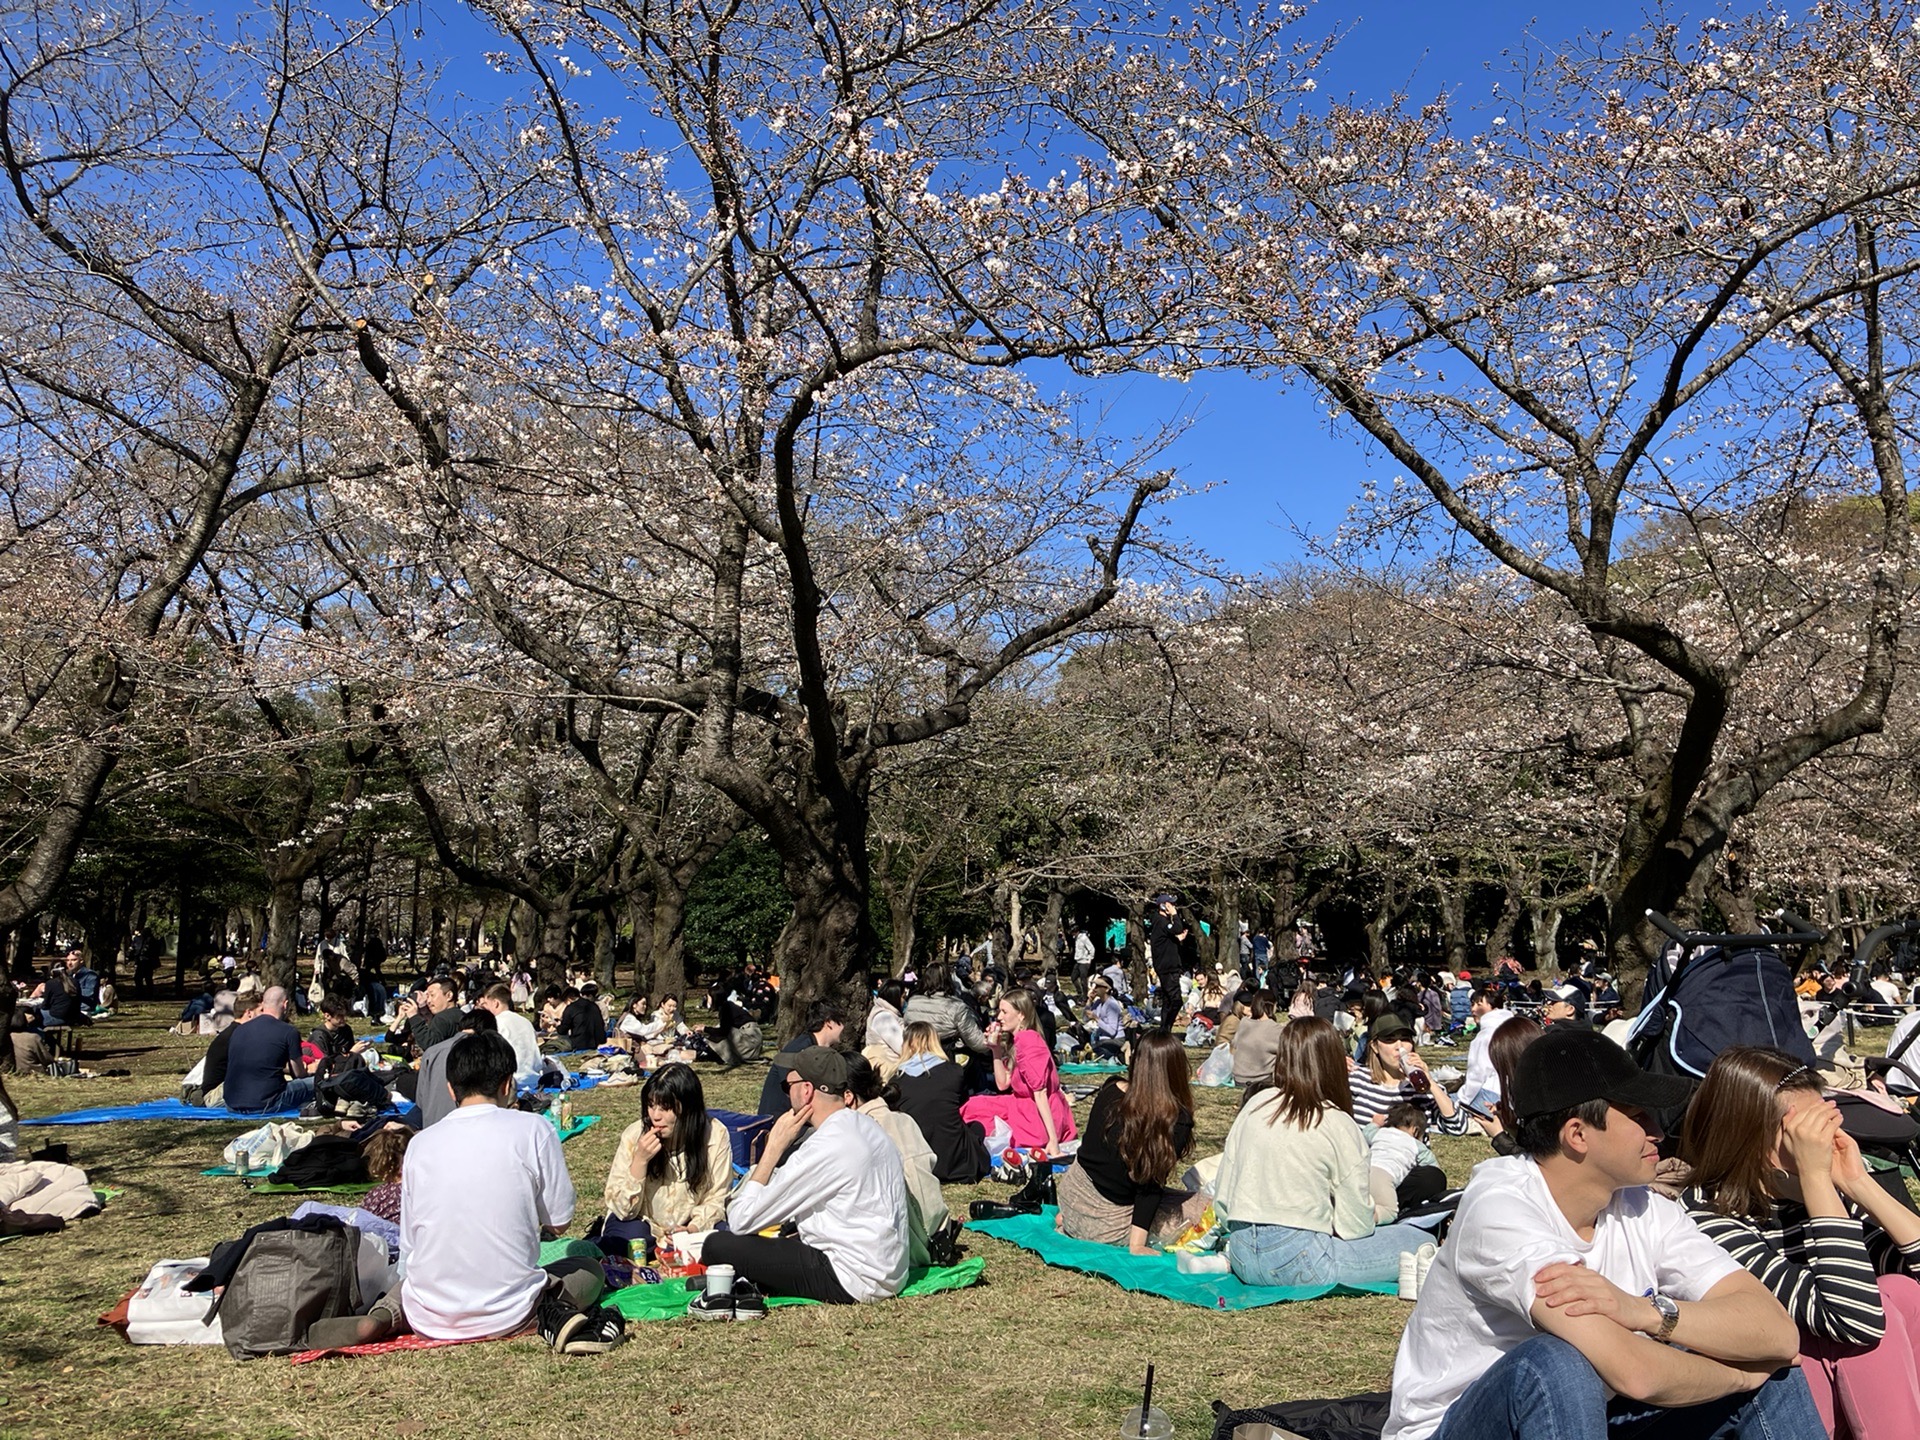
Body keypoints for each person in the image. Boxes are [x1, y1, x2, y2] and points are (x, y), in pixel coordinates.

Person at [1382, 1027, 1816, 1440]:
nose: (1659, 1133)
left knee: (1774, 1373)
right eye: (1639, 1116)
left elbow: (1778, 1332)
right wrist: (1738, 1377)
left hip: (1593, 1415)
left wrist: (1646, 1313)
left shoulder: (1639, 1204)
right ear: (1577, 1134)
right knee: (1556, 1363)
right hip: (1457, 1427)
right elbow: (1635, 1373)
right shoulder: (1501, 1209)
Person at [305, 1033, 623, 1354]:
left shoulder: (420, 1143)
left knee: (410, 1284)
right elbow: (559, 1223)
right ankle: (536, 1307)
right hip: (509, 1311)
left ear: (450, 1089)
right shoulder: (533, 1128)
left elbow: (411, 1245)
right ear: (508, 1084)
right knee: (587, 1270)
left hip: (429, 1313)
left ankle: (382, 1316)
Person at [1682, 1045, 1920, 1439]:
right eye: (1806, 1130)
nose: (1823, 1142)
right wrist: (1814, 1178)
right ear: (1752, 1137)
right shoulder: (1706, 1218)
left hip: (1869, 1396)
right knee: (1871, 1311)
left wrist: (1858, 1184)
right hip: (1782, 1401)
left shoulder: (1809, 1191)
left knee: (1903, 1290)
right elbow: (1857, 1321)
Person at [1214, 1017, 1430, 1287]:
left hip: (1242, 1254)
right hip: (1303, 1259)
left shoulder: (1256, 1104)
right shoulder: (1336, 1121)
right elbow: (1354, 1226)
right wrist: (1382, 1213)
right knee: (1419, 1239)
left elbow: (1223, 1199)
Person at [703, 1046, 909, 1305]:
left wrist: (773, 1149)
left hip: (851, 1277)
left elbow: (742, 1220)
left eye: (787, 1085)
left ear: (806, 1090)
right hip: (891, 1270)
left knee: (717, 1245)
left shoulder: (824, 1146)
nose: (787, 1093)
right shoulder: (868, 1127)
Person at [1056, 1033, 1206, 1253]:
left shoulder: (1111, 1088)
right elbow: (1150, 1186)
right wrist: (1137, 1244)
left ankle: (1071, 1221)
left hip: (1071, 1196)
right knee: (1205, 1207)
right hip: (1107, 1224)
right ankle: (1088, 1226)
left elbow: (1095, 1153)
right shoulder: (1175, 1120)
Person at [603, 1061, 735, 1238]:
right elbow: (622, 1210)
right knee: (626, 1237)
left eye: (665, 1108)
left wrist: (693, 1229)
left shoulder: (714, 1135)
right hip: (643, 1223)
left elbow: (717, 1198)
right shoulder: (634, 1135)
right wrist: (640, 1161)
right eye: (651, 1106)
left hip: (690, 1223)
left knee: (724, 1236)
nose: (656, 1116)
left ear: (687, 1108)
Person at [845, 1056, 951, 1267]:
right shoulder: (903, 1119)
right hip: (937, 1237)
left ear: (847, 1096)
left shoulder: (860, 1131)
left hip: (903, 1249)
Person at [1347, 1013, 1470, 1197]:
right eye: (1390, 1040)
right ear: (1375, 1046)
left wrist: (1430, 1082)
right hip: (1366, 1168)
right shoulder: (1358, 1079)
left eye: (1405, 1039)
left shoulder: (1423, 1089)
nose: (1399, 1047)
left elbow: (1458, 1127)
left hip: (1407, 1172)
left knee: (1432, 1178)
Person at [960, 988, 1076, 1156]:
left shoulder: (1029, 1040)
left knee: (977, 1118)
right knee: (972, 1106)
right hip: (1020, 1105)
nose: (999, 1017)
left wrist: (1053, 1141)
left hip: (1036, 1115)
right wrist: (996, 1050)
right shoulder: (1018, 1041)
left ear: (1021, 1015)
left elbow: (1040, 1092)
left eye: (1005, 1012)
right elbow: (1003, 1084)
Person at [891, 1022, 988, 1184]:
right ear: (935, 1042)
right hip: (958, 1162)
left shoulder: (897, 1082)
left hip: (920, 1161)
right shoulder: (954, 1072)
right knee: (976, 1127)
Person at [758, 1000, 847, 1115]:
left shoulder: (818, 1050)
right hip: (781, 1120)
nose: (844, 1028)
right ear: (829, 1022)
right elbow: (796, 1092)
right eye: (841, 1022)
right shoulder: (799, 1049)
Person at [902, 961, 993, 1068]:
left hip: (916, 1058)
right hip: (945, 1060)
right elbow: (977, 1043)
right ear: (949, 980)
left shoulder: (912, 1003)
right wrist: (993, 1040)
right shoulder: (956, 1006)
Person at [1368, 1102, 1431, 1222]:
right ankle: (1366, 1218)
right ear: (1415, 1131)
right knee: (1389, 1212)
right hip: (1386, 1177)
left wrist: (1375, 1123)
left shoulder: (1379, 1133)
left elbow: (1366, 1133)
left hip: (1365, 1170)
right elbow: (1432, 1168)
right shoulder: (1417, 1145)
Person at [1457, 987, 1513, 1116]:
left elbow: (1478, 1073)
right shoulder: (1513, 1028)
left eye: (1478, 1004)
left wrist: (1463, 1101)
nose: (1473, 1009)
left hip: (1491, 1094)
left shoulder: (1486, 1035)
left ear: (1493, 1007)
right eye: (1472, 1004)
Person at [477, 983, 543, 1088]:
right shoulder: (525, 1021)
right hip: (533, 1078)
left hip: (511, 1082)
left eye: (486, 1004)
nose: (484, 1008)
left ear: (495, 1003)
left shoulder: (496, 1023)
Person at [1147, 894, 1189, 1033]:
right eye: (1170, 904)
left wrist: (1178, 940)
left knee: (1167, 1000)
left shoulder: (1161, 924)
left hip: (1167, 967)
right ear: (1163, 905)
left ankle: (1164, 1030)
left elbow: (1166, 942)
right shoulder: (1162, 922)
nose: (1174, 906)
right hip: (1167, 968)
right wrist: (1175, 915)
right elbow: (1176, 928)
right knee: (1176, 1000)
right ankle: (1165, 1029)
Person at [1231, 991, 1283, 1089]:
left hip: (1239, 1078)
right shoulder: (1276, 1029)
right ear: (1272, 1006)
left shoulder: (1244, 1022)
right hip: (1261, 1080)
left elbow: (1234, 1043)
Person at [862, 979, 908, 1080]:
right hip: (888, 1071)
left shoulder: (888, 1013)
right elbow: (902, 1047)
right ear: (895, 997)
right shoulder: (883, 1018)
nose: (905, 1001)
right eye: (903, 997)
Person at [553, 985, 607, 1053]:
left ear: (569, 998)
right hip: (598, 1042)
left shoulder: (571, 1008)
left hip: (580, 1043)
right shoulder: (594, 1006)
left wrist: (557, 1025)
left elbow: (563, 1030)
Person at [1086, 978, 1128, 1061]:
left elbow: (1112, 1031)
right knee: (1080, 1049)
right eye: (1095, 986)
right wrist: (1089, 1001)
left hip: (1115, 1040)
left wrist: (1097, 1019)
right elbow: (1085, 1018)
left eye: (1098, 986)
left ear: (1107, 989)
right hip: (1102, 1040)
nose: (1095, 988)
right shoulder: (1098, 1003)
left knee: (1095, 1052)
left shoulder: (1112, 1005)